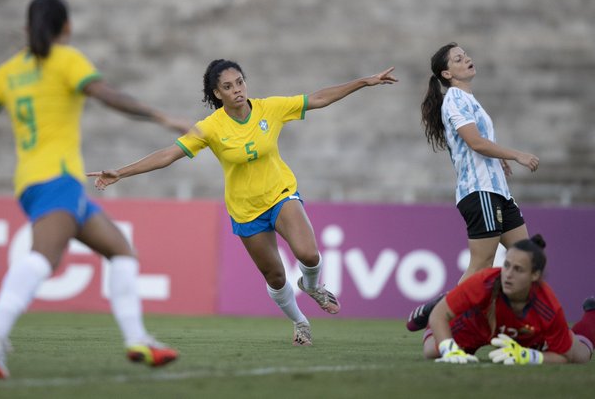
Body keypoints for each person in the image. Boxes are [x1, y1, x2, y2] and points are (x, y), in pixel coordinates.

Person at [0, 0, 192, 378]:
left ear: (27, 27)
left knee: (121, 252)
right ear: (66, 27)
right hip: (59, 178)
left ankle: (137, 339)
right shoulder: (67, 59)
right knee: (45, 257)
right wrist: (163, 117)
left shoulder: (8, 72)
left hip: (34, 183)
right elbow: (108, 95)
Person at [88, 59, 398, 345]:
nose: (237, 90)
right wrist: (122, 172)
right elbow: (169, 154)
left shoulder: (270, 108)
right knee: (275, 276)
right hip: (246, 210)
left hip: (280, 193)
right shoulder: (210, 127)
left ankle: (312, 286)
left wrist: (364, 81)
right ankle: (300, 322)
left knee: (308, 253)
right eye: (228, 86)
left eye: (240, 82)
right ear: (217, 93)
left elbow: (317, 98)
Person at [406, 42, 540, 331]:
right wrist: (515, 154)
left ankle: (517, 326)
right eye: (458, 58)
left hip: (498, 192)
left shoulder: (470, 99)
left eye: (465, 55)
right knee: (481, 267)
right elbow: (475, 142)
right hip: (479, 193)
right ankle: (439, 315)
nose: (467, 59)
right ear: (447, 72)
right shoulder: (454, 99)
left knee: (526, 258)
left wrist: (499, 163)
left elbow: (479, 145)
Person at [423, 234, 594, 364]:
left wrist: (529, 357)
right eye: (506, 265)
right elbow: (438, 315)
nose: (508, 275)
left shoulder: (548, 306)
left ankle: (592, 316)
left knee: (580, 356)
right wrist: (449, 350)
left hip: (526, 336)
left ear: (535, 275)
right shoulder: (484, 281)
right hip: (478, 325)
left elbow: (563, 357)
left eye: (518, 269)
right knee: (432, 350)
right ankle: (447, 301)